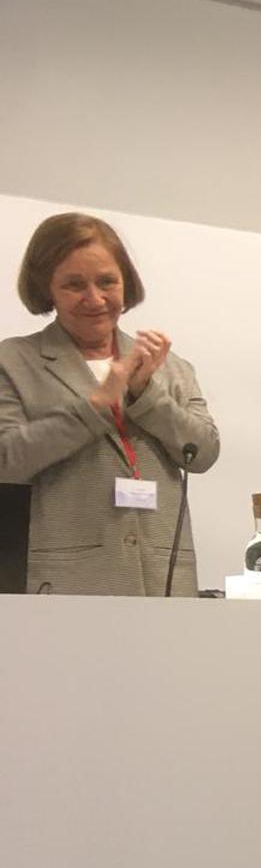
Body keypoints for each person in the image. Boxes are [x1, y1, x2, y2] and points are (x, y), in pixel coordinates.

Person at [0, 212, 219, 595]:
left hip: (164, 581)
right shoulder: (13, 361)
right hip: (67, 584)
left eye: (107, 282)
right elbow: (7, 461)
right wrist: (97, 406)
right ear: (46, 288)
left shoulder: (172, 367)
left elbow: (203, 452)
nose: (95, 299)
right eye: (73, 285)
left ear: (126, 283)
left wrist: (145, 394)